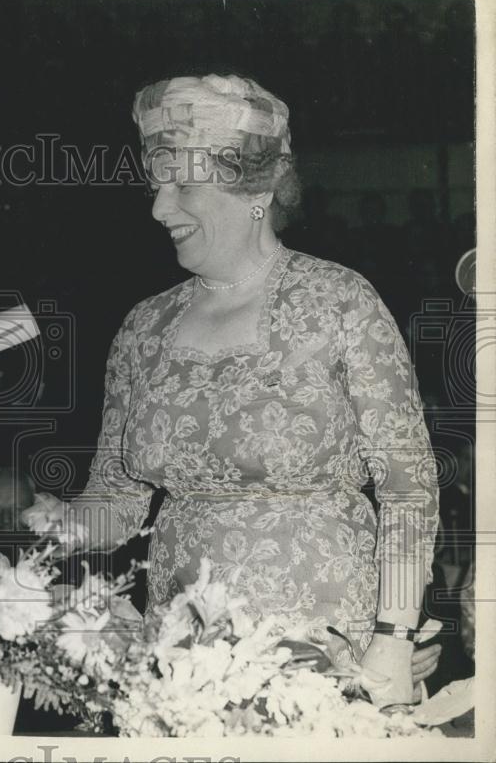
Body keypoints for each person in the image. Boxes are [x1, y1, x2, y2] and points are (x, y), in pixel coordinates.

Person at [59, 74, 441, 708]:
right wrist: (40, 530)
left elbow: (408, 482)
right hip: (182, 659)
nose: (159, 209)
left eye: (183, 187)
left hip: (327, 652)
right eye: (157, 188)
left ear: (255, 190)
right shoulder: (142, 327)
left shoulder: (337, 301)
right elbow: (117, 495)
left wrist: (393, 637)